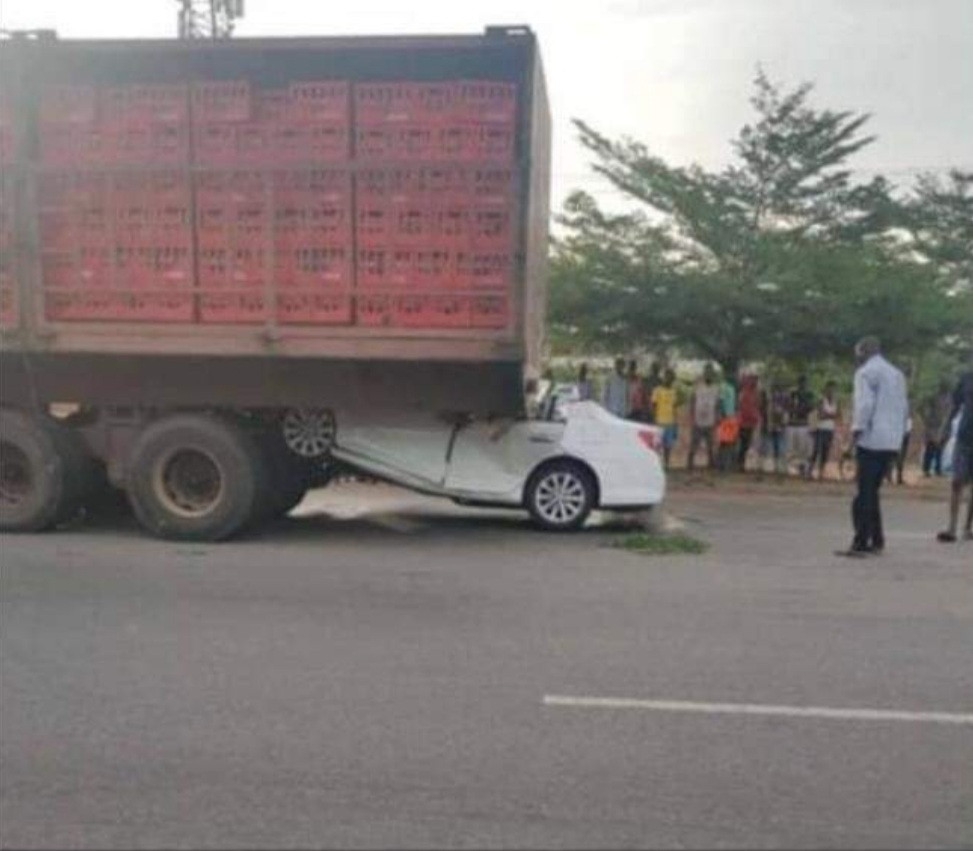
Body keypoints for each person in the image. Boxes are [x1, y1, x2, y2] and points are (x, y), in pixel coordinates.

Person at [838, 336, 908, 558]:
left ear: (863, 352)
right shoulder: (896, 374)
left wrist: (856, 432)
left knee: (864, 493)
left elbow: (865, 405)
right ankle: (877, 538)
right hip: (892, 439)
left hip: (872, 438)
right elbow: (903, 407)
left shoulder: (866, 373)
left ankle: (861, 540)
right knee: (872, 491)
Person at [936, 364, 973, 543]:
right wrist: (945, 428)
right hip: (965, 437)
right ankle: (951, 528)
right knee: (957, 481)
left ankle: (968, 528)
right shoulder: (966, 378)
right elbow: (954, 406)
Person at [687, 363, 719, 470]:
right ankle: (690, 464)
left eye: (711, 373)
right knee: (694, 443)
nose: (708, 375)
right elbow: (692, 401)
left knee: (711, 445)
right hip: (698, 420)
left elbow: (717, 404)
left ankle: (711, 464)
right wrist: (691, 416)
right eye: (707, 373)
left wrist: (717, 417)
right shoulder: (697, 387)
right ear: (704, 374)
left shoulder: (716, 388)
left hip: (710, 420)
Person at [809, 380, 840, 479]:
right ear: (826, 390)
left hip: (830, 429)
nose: (832, 392)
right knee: (816, 450)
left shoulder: (835, 402)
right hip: (820, 428)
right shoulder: (822, 400)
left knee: (825, 451)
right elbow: (820, 415)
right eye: (830, 389)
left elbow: (838, 415)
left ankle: (821, 472)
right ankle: (810, 470)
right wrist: (831, 415)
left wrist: (829, 415)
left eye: (833, 390)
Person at [785, 375, 815, 477]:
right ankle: (790, 467)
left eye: (804, 382)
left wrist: (802, 407)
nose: (802, 385)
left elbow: (811, 408)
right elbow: (788, 406)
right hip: (792, 423)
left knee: (803, 448)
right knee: (791, 447)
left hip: (803, 423)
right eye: (801, 382)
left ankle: (802, 467)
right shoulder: (793, 394)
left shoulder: (809, 394)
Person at [920, 381, 951, 477]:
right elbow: (922, 407)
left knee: (940, 450)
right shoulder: (932, 396)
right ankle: (926, 469)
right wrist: (926, 420)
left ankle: (938, 469)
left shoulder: (949, 397)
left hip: (944, 426)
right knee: (930, 448)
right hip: (933, 426)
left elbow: (949, 411)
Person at [651, 367, 679, 469]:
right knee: (657, 445)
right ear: (664, 377)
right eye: (668, 377)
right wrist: (654, 421)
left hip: (670, 422)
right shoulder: (657, 390)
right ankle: (656, 464)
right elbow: (654, 406)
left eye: (671, 378)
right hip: (659, 421)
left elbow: (674, 407)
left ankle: (666, 464)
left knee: (668, 446)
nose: (669, 379)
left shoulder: (673, 391)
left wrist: (676, 422)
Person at [759, 380, 787, 474]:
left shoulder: (780, 404)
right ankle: (762, 466)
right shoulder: (768, 401)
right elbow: (763, 412)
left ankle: (777, 467)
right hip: (768, 426)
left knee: (777, 447)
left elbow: (782, 416)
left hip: (776, 427)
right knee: (766, 447)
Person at [737, 374, 761, 471]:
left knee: (746, 444)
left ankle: (741, 464)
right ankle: (739, 464)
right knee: (743, 444)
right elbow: (740, 406)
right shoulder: (744, 393)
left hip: (751, 422)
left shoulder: (755, 393)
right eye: (753, 381)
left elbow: (757, 406)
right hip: (743, 422)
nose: (755, 383)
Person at [887, 413, 912, 485]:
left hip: (902, 434)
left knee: (898, 457)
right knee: (894, 456)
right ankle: (892, 476)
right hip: (898, 434)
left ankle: (897, 477)